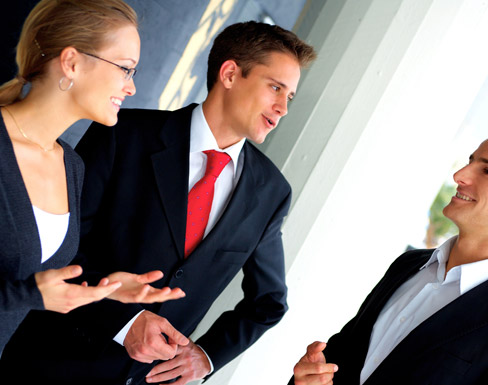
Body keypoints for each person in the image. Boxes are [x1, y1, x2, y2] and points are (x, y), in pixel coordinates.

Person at [1, 21, 317, 384]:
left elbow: (268, 303)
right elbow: (61, 250)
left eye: (289, 96)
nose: (283, 108)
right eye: (275, 87)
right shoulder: (123, 133)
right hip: (47, 363)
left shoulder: (272, 192)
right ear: (230, 74)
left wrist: (207, 356)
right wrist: (123, 322)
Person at [291, 120, 488, 385]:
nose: (460, 175)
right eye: (471, 161)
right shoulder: (408, 265)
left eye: (487, 171)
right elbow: (340, 359)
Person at [0, 0, 185, 354]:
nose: (131, 88)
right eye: (125, 69)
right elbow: (29, 289)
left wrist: (106, 287)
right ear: (71, 62)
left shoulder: (71, 166)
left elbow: (32, 274)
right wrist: (32, 295)